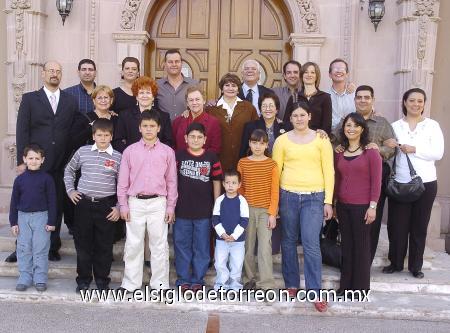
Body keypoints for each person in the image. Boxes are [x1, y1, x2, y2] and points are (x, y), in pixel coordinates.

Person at [272, 102, 334, 312]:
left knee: (311, 243)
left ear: (309, 116)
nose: (299, 119)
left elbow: (329, 171)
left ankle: (314, 290)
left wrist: (328, 201)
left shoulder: (321, 140)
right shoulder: (281, 141)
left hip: (314, 197)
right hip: (288, 196)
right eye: (295, 116)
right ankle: (291, 284)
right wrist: (276, 202)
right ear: (290, 118)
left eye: (302, 115)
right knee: (288, 241)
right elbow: (276, 172)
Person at [14, 60, 78, 262]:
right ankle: (21, 248)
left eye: (58, 71)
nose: (54, 74)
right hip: (35, 164)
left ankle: (52, 247)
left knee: (55, 205)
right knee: (27, 206)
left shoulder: (70, 100)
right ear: (43, 74)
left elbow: (73, 131)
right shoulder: (30, 99)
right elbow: (22, 131)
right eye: (51, 70)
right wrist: (22, 161)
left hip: (60, 164)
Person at [383, 88, 444, 279]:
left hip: (425, 183)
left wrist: (414, 149)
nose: (415, 104)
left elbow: (438, 153)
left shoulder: (432, 125)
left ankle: (415, 266)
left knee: (419, 226)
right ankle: (396, 262)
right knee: (397, 226)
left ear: (424, 104)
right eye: (411, 101)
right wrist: (388, 145)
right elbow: (387, 152)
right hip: (400, 182)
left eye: (420, 101)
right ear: (404, 102)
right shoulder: (395, 126)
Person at [333, 85, 396, 262]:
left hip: (376, 176)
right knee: (351, 227)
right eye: (359, 97)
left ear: (372, 100)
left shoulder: (382, 123)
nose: (362, 100)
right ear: (354, 100)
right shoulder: (348, 120)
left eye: (366, 97)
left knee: (371, 222)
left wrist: (379, 149)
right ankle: (351, 263)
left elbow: (392, 148)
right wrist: (337, 146)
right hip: (351, 176)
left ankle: (365, 263)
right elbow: (335, 138)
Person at [117, 111, 177, 291]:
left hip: (158, 202)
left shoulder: (167, 152)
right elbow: (122, 181)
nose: (148, 129)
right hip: (135, 202)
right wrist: (123, 204)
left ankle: (160, 285)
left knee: (159, 245)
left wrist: (170, 206)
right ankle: (130, 284)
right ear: (139, 128)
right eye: (145, 126)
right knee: (133, 244)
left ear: (159, 128)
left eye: (152, 126)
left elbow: (171, 181)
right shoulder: (130, 151)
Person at [64, 119, 122, 293]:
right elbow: (69, 170)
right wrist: (70, 190)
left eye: (106, 135)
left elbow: (123, 183)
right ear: (93, 136)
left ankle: (102, 280)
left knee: (104, 246)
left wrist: (119, 206)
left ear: (111, 136)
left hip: (106, 206)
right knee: (83, 245)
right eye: (99, 135)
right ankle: (83, 280)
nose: (102, 138)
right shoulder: (83, 152)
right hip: (84, 204)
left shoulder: (118, 157)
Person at [334, 112, 382, 296]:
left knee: (362, 248)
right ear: (343, 129)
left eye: (355, 125)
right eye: (348, 125)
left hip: (363, 207)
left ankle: (361, 289)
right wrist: (335, 203)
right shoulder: (339, 152)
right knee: (346, 246)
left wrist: (373, 206)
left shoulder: (371, 152)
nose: (351, 129)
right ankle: (345, 286)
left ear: (362, 129)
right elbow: (338, 180)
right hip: (344, 206)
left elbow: (376, 182)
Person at [174, 123, 222, 292]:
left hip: (204, 211)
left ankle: (198, 279)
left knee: (201, 246)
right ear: (186, 138)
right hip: (182, 211)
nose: (196, 140)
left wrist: (216, 206)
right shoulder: (178, 156)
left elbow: (217, 182)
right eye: (192, 137)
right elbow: (172, 181)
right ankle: (183, 279)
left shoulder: (211, 157)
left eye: (199, 137)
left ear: (205, 139)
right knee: (182, 245)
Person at [9, 144, 56, 292]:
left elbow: (52, 200)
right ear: (24, 159)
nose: (34, 161)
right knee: (23, 249)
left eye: (37, 158)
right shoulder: (20, 180)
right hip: (23, 218)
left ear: (42, 160)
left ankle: (40, 277)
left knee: (40, 248)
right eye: (30, 158)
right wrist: (13, 222)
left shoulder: (47, 179)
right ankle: (25, 277)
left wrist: (52, 221)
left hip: (42, 217)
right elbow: (14, 202)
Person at [238, 129, 279, 290]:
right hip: (247, 209)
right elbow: (240, 189)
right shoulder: (243, 162)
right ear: (249, 143)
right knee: (248, 246)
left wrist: (272, 213)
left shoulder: (272, 164)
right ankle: (249, 278)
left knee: (264, 247)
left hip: (264, 211)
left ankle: (266, 283)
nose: (257, 146)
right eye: (254, 143)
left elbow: (275, 190)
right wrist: (240, 210)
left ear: (267, 145)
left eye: (261, 143)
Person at [208, 73, 258, 172]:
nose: (230, 88)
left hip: (243, 157)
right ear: (222, 89)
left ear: (238, 89)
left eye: (234, 85)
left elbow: (256, 129)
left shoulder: (248, 107)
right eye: (227, 85)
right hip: (219, 158)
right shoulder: (211, 109)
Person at [113, 76, 172, 153]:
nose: (144, 96)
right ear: (136, 96)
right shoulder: (125, 115)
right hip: (132, 159)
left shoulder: (164, 117)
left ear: (153, 96)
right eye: (141, 92)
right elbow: (118, 141)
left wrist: (154, 153)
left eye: (148, 92)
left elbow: (168, 141)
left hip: (156, 159)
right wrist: (131, 154)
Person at [212, 170, 249, 290]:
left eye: (234, 183)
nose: (230, 185)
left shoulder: (242, 201)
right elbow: (215, 219)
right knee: (220, 263)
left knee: (237, 264)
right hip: (221, 240)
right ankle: (221, 285)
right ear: (223, 184)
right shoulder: (219, 200)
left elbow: (244, 220)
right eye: (227, 183)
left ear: (239, 184)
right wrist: (222, 234)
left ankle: (235, 286)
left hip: (237, 241)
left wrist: (234, 235)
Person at [284, 62, 332, 134]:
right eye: (306, 72)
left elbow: (327, 124)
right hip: (296, 138)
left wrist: (322, 132)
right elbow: (287, 121)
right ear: (302, 75)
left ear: (317, 76)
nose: (309, 75)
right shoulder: (294, 97)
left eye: (312, 72)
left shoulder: (325, 97)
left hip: (316, 139)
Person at [172, 85, 221, 154]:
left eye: (197, 99)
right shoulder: (177, 122)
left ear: (204, 101)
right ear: (187, 103)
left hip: (204, 163)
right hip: (181, 162)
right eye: (191, 100)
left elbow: (215, 148)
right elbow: (173, 145)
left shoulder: (213, 122)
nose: (194, 103)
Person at [240, 92, 288, 157]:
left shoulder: (285, 127)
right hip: (257, 165)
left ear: (276, 110)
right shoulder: (250, 127)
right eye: (264, 106)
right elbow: (243, 151)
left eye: (271, 106)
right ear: (260, 109)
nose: (267, 109)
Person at [72, 85, 119, 149]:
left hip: (111, 157)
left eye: (106, 97)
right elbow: (74, 141)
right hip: (89, 157)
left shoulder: (117, 119)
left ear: (111, 100)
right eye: (99, 98)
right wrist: (90, 128)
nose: (103, 101)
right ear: (94, 101)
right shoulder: (84, 118)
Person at [156, 49, 198, 120]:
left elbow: (200, 107)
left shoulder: (193, 84)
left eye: (177, 61)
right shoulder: (157, 85)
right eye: (170, 62)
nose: (174, 64)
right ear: (165, 64)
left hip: (187, 129)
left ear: (181, 63)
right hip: (163, 129)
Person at [328, 59, 355, 130]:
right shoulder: (324, 95)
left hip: (351, 134)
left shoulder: (355, 95)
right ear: (330, 74)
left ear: (347, 74)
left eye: (342, 69)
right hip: (329, 135)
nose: (339, 71)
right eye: (335, 68)